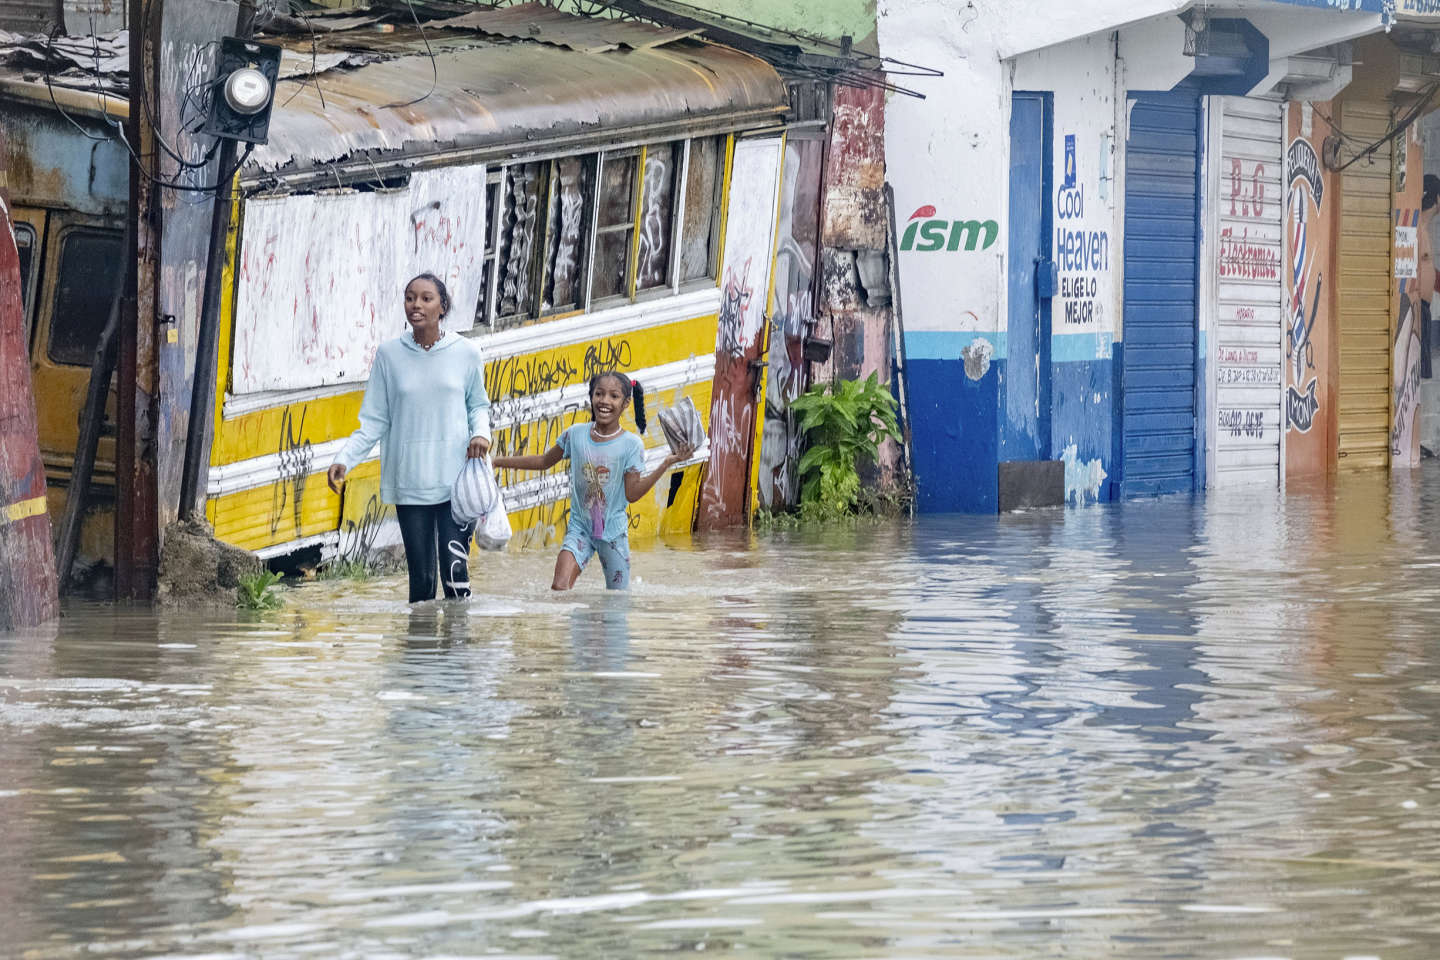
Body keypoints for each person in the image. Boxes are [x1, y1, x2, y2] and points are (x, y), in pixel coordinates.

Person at [326, 273, 491, 603]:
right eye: (410, 298)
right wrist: (344, 458)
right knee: (421, 581)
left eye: (426, 298)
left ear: (442, 307)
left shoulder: (467, 352)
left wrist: (481, 434)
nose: (416, 305)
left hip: (456, 483)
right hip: (410, 481)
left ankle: (458, 653)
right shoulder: (389, 355)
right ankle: (420, 652)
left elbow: (478, 406)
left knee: (456, 576)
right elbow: (374, 420)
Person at [492, 372, 693, 591]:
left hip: (613, 535)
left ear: (626, 403)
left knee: (616, 602)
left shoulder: (631, 445)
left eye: (614, 396)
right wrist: (497, 462)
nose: (605, 401)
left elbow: (632, 494)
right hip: (580, 530)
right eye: (599, 394)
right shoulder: (575, 435)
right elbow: (543, 461)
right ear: (591, 397)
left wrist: (665, 464)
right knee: (559, 588)